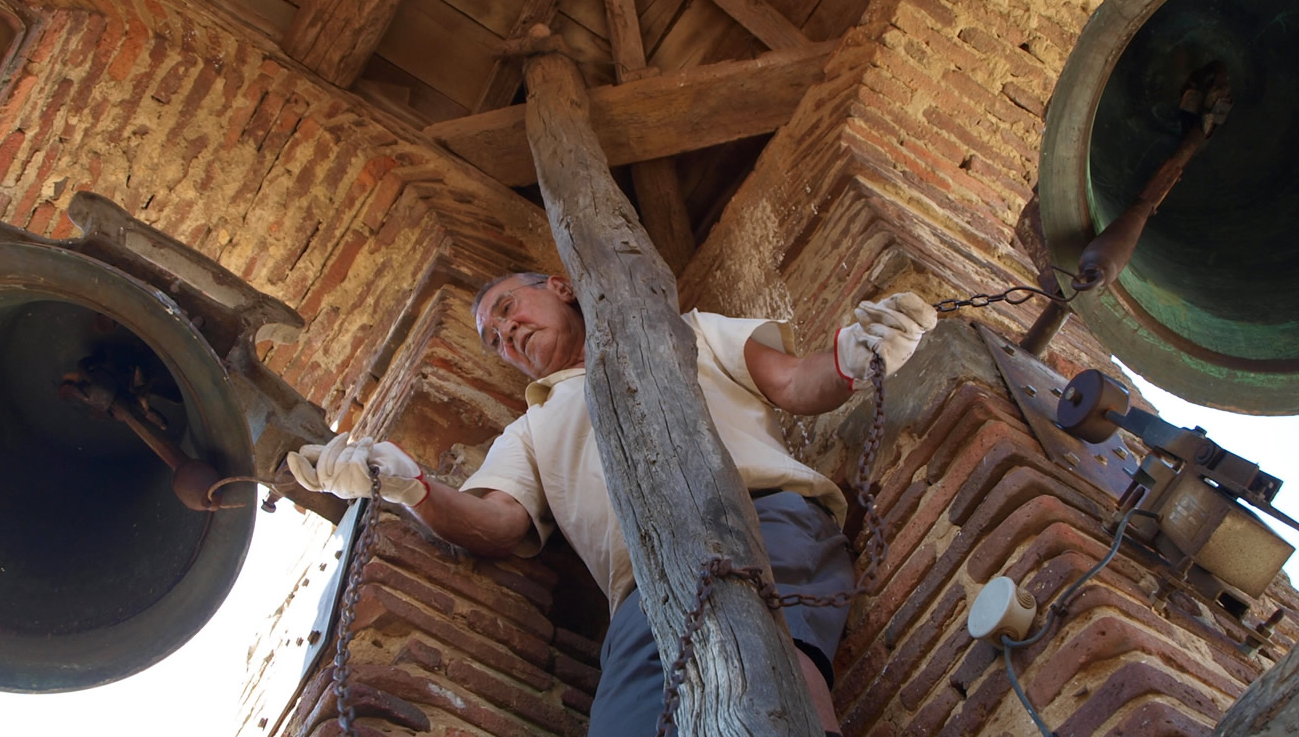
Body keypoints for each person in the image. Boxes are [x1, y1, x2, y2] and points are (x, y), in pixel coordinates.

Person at [287, 272, 938, 736]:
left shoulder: (690, 333)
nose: (506, 333)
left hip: (763, 520)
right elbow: (494, 523)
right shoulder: (529, 431)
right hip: (641, 594)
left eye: (510, 309)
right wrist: (409, 485)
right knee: (628, 723)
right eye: (494, 340)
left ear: (561, 286)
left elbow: (795, 383)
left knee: (776, 677)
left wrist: (855, 356)